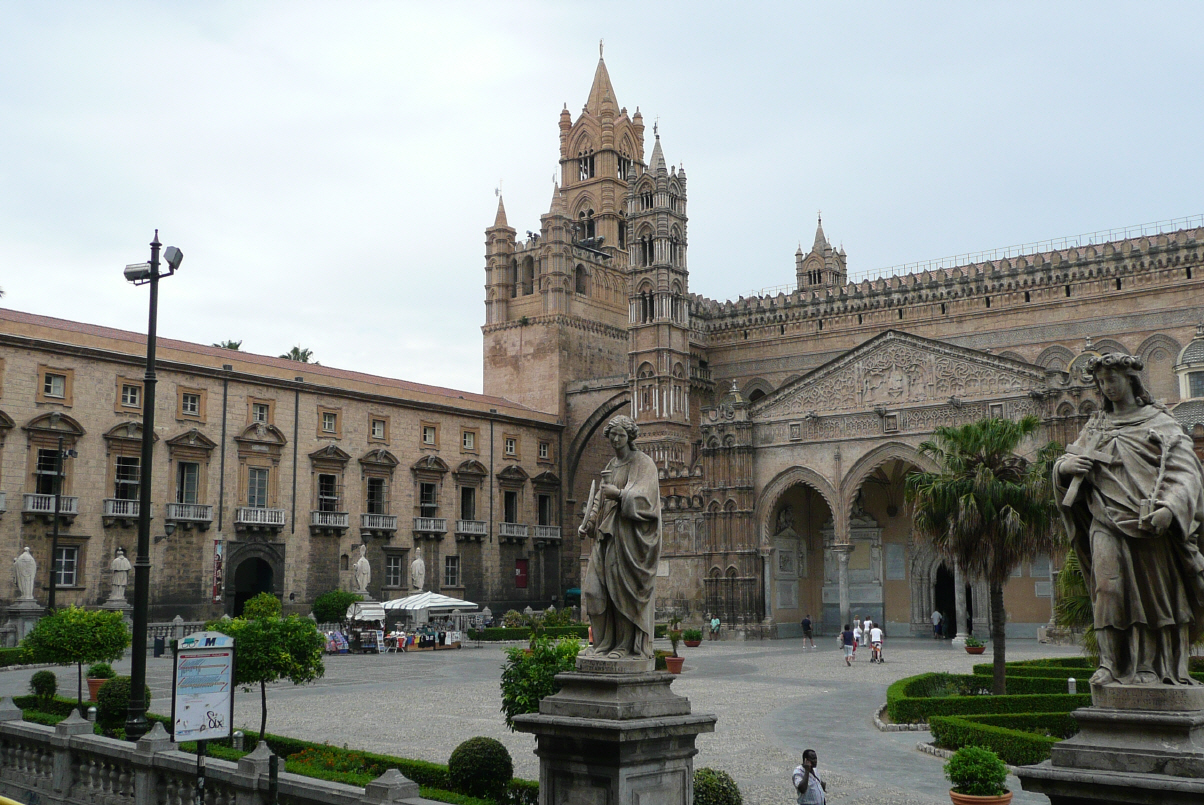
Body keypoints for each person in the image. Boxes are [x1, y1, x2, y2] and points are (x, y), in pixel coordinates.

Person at [1055, 352, 1204, 686]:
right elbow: (1069, 460)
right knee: (1107, 590)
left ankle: (1151, 667)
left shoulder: (1161, 422)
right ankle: (1110, 664)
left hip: (1148, 523)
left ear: (1131, 380)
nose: (1107, 387)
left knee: (1150, 598)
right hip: (1105, 520)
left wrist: (1170, 508)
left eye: (1112, 380)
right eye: (1101, 382)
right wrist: (1064, 468)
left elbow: (1187, 472)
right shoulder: (1096, 425)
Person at [579, 415, 662, 660]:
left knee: (621, 594)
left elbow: (647, 497)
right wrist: (589, 523)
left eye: (621, 435)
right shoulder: (611, 465)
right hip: (604, 537)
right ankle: (601, 644)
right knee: (593, 591)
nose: (616, 439)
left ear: (630, 437)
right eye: (612, 434)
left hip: (627, 539)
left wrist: (620, 494)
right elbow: (599, 499)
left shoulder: (643, 463)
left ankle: (623, 646)